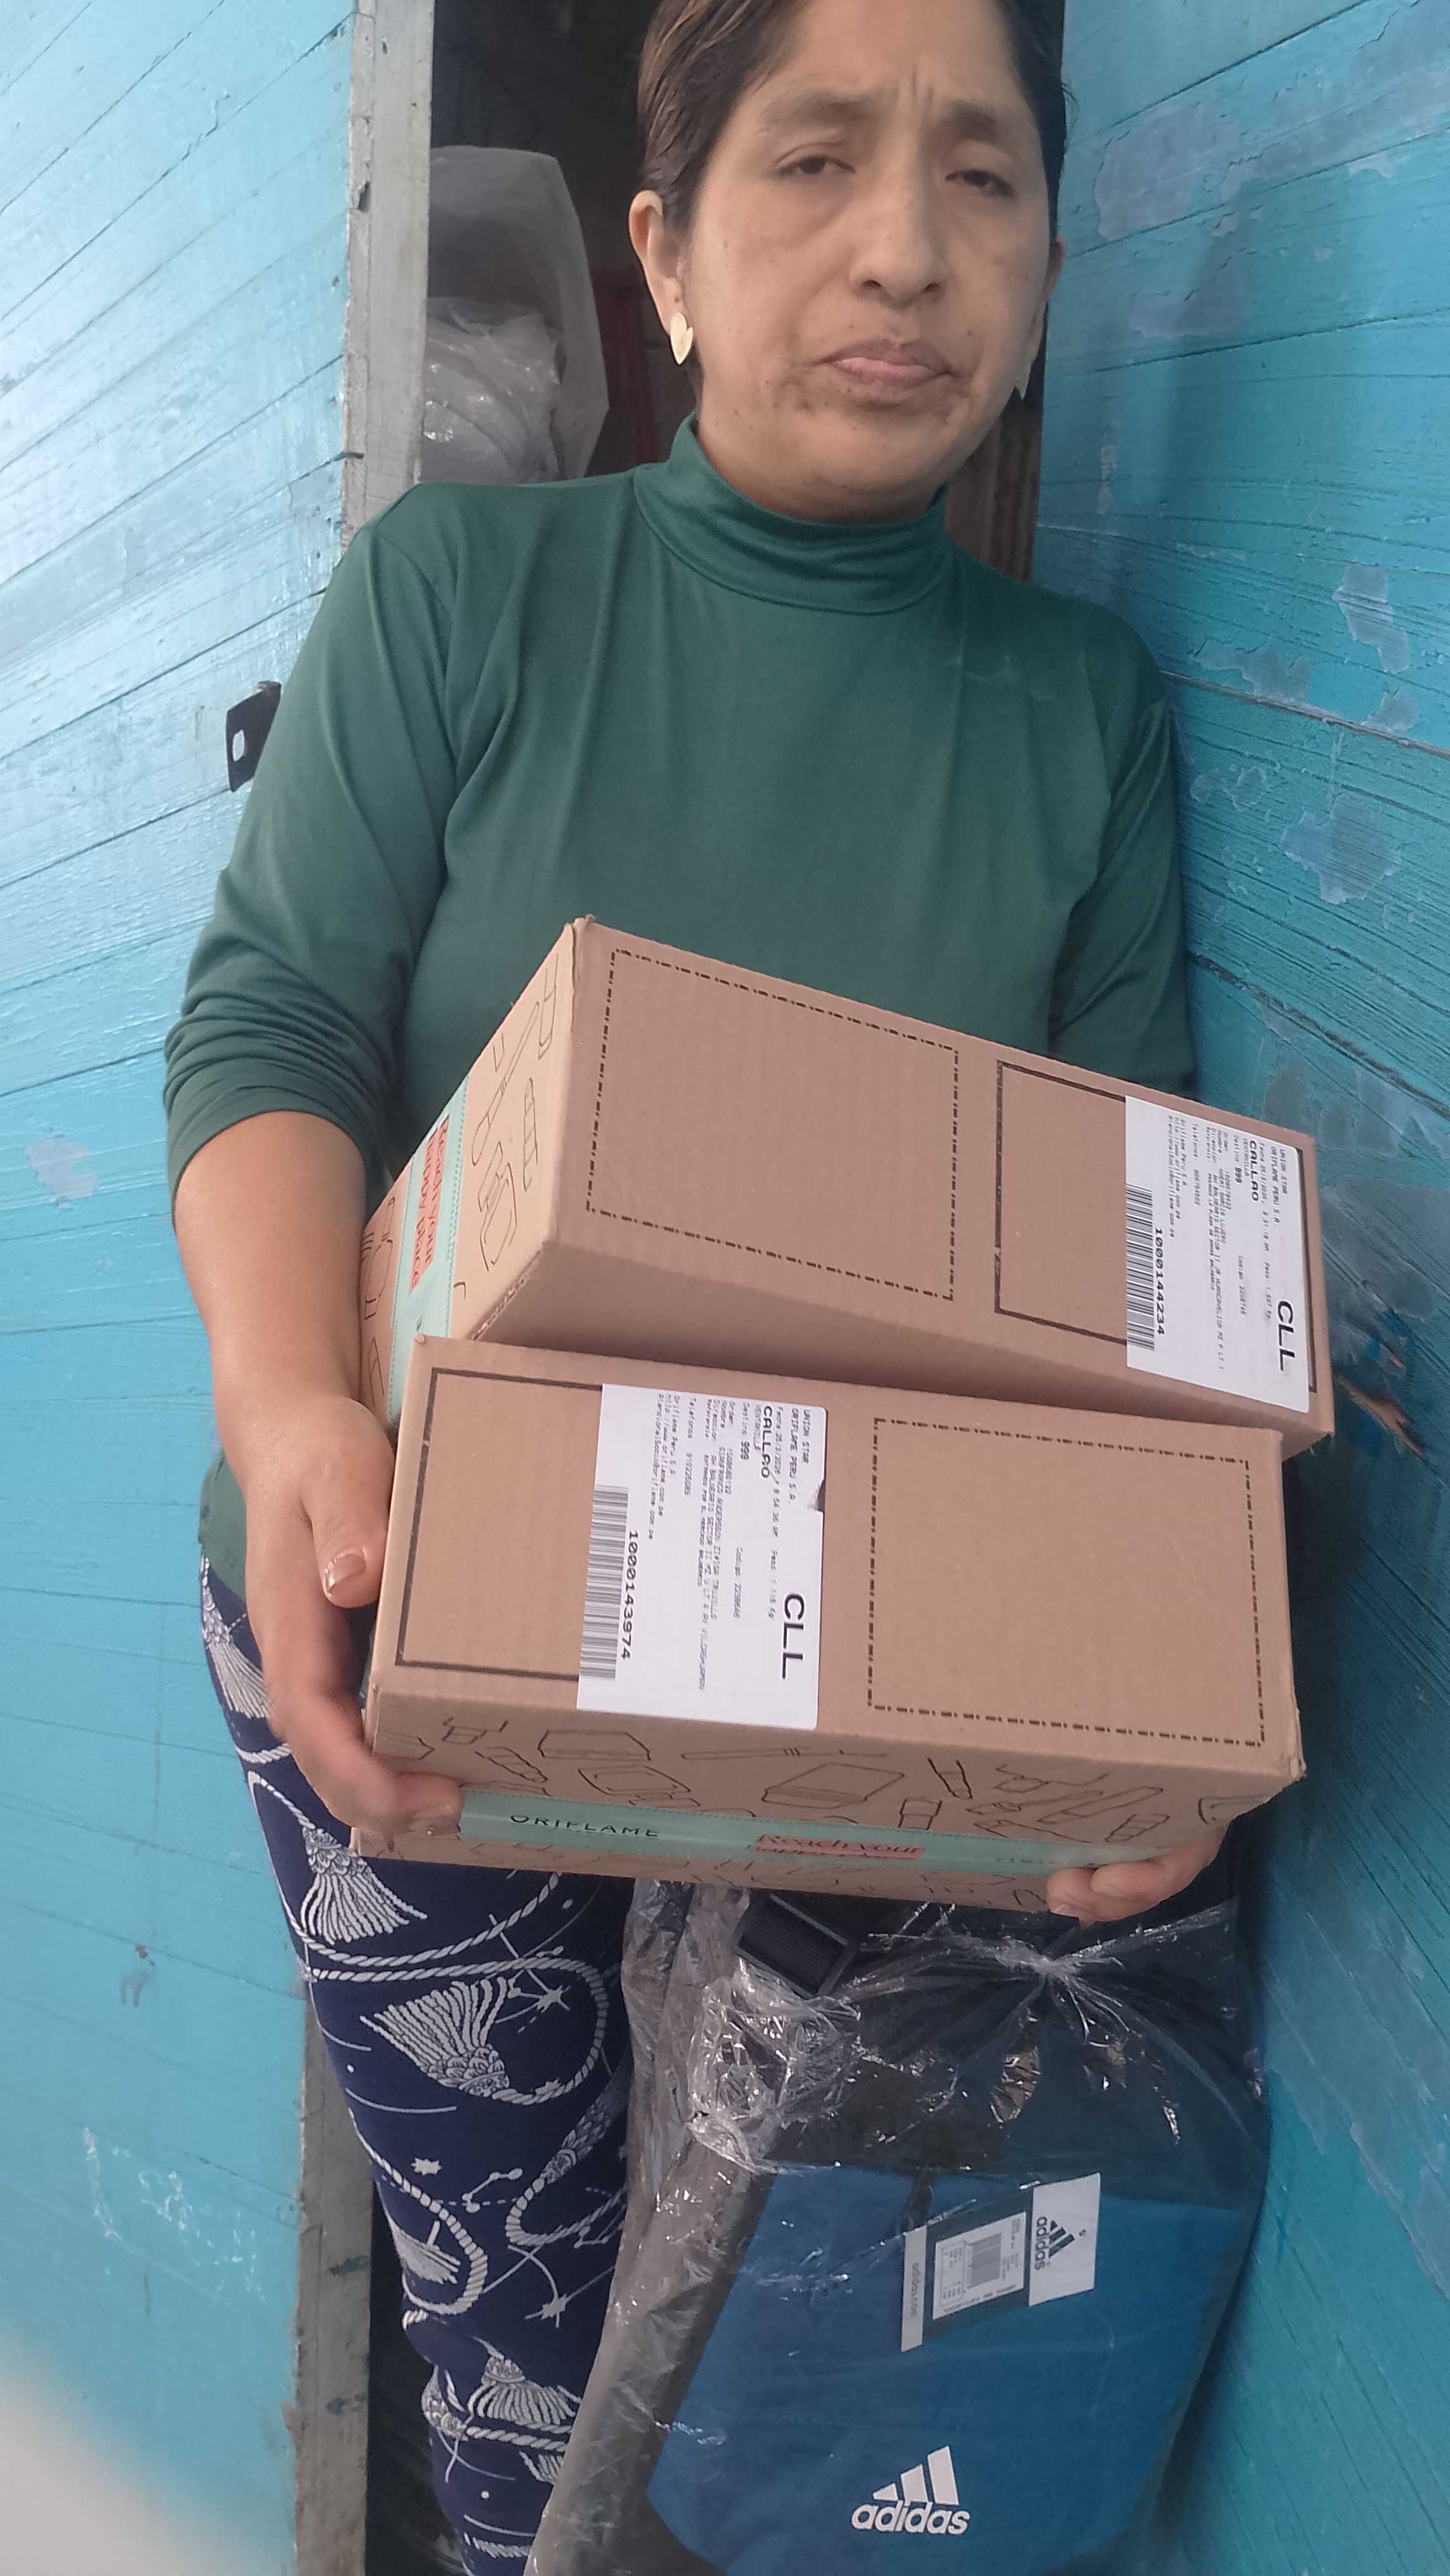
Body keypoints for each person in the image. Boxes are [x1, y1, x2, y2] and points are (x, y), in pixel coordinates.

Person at [164, 1, 1225, 2565]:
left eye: (983, 177)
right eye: (817, 161)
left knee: (784, 2383)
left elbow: (1143, 1256)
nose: (906, 251)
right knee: (528, 2357)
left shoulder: (1079, 713)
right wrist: (296, 1419)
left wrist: (1164, 1707)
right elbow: (273, 1022)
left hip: (857, 1666)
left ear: (1051, 255)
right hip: (396, 1617)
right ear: (659, 251)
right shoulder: (462, 595)